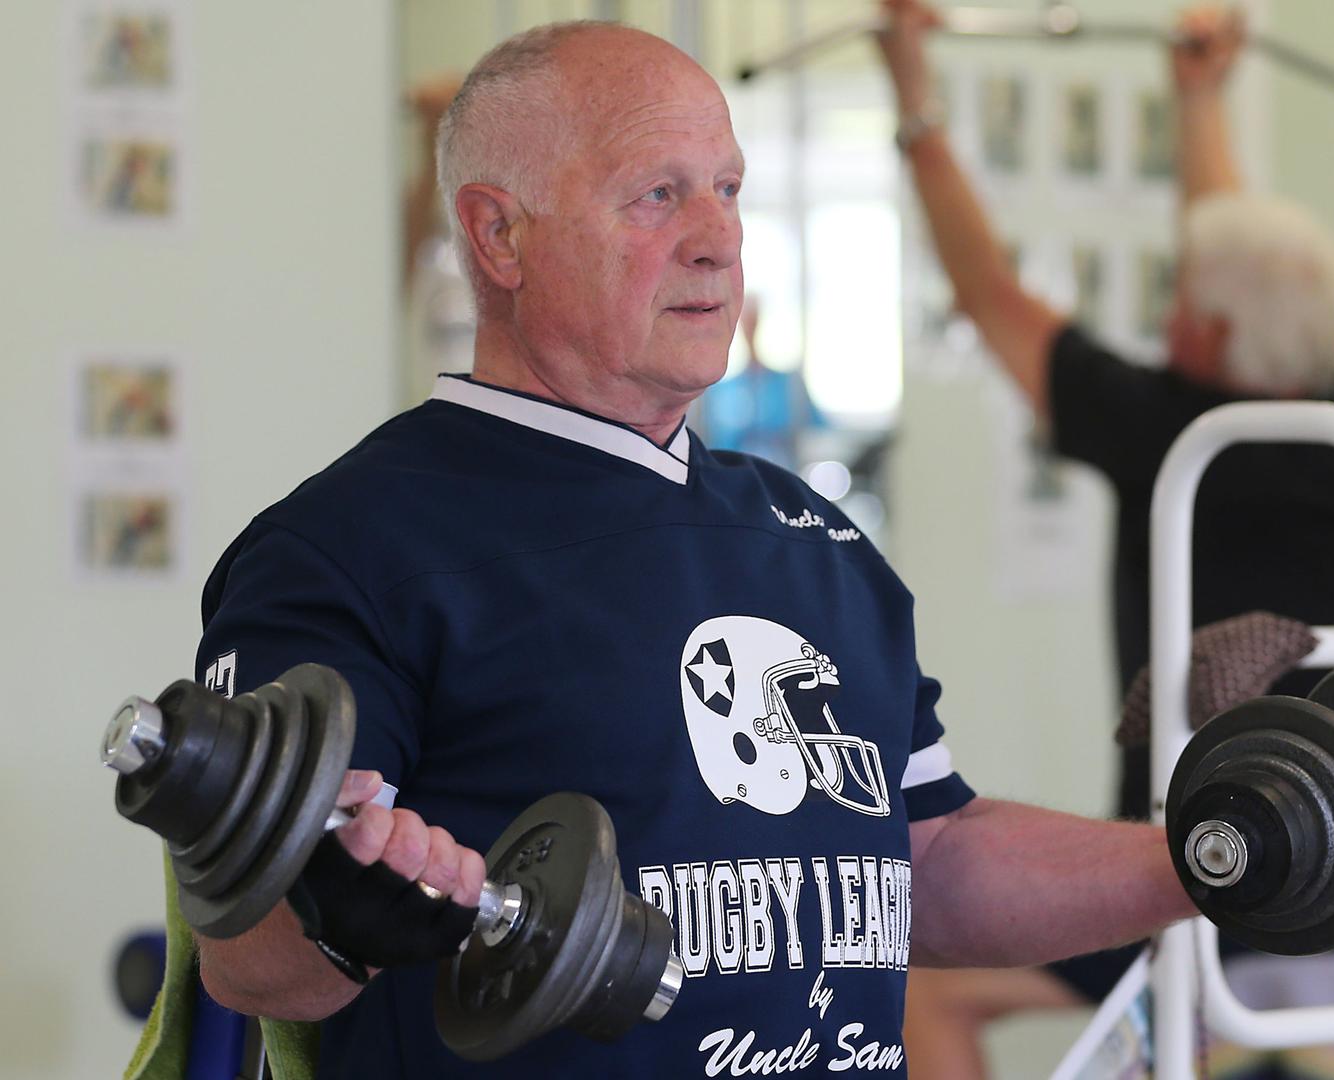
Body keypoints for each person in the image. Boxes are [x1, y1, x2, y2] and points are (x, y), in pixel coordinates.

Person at [186, 22, 1242, 1078]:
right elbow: (247, 957)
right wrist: (345, 920)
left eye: (727, 191)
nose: (718, 240)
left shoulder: (817, 540)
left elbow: (934, 857)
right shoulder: (349, 546)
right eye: (656, 194)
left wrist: (1226, 850)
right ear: (500, 235)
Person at [875, 3, 1334, 1074]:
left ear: (1210, 333)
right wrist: (1199, 99)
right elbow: (1232, 253)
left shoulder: (1169, 429)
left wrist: (912, 94)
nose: (1169, 304)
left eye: (1180, 294)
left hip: (1235, 874)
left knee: (922, 990)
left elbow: (986, 292)